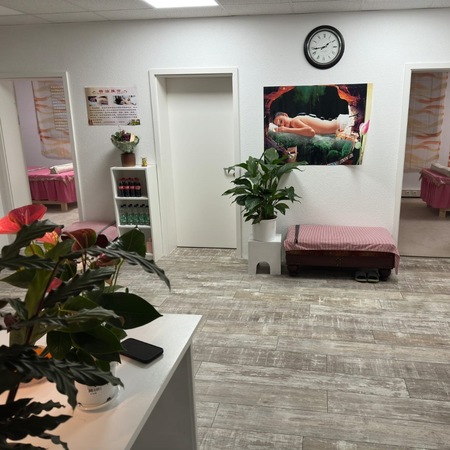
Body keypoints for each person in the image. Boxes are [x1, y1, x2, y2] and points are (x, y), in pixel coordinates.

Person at [272, 112, 351, 137]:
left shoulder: (294, 121)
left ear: (285, 115)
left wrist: (286, 129)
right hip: (340, 124)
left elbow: (311, 132)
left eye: (281, 121)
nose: (282, 125)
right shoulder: (296, 121)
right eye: (279, 126)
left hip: (342, 124)